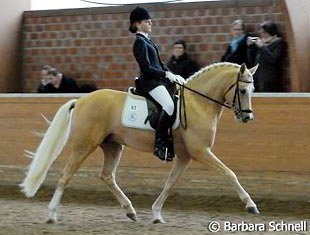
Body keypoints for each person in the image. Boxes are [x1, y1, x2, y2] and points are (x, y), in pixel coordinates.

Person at [128, 7, 184, 161]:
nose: (151, 23)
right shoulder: (139, 43)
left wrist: (173, 75)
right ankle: (159, 144)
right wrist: (165, 74)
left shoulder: (148, 41)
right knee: (169, 106)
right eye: (147, 21)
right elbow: (146, 68)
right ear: (138, 24)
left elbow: (159, 64)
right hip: (149, 82)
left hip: (158, 80)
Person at [247, 21, 287, 92]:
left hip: (271, 80)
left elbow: (273, 59)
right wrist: (250, 47)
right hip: (259, 79)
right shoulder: (262, 43)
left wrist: (262, 46)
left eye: (264, 32)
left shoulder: (279, 43)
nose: (262, 34)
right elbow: (252, 60)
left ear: (270, 32)